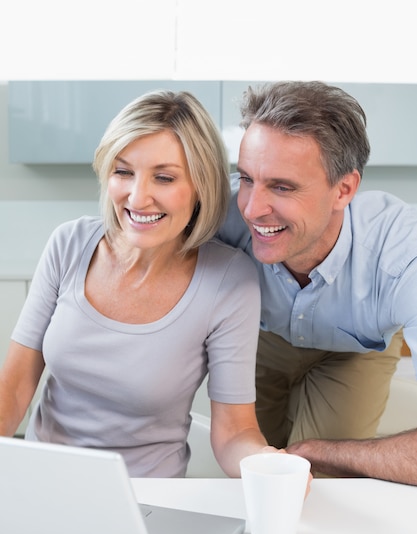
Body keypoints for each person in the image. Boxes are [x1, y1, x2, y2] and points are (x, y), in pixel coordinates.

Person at [0, 89, 276, 478]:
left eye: (163, 178)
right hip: (45, 484)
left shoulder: (230, 281)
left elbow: (234, 431)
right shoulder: (69, 244)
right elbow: (11, 391)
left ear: (202, 185)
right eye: (123, 171)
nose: (138, 196)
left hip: (148, 501)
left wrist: (268, 467)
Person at [217, 80, 417, 484]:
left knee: (318, 485)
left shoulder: (402, 255)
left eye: (282, 186)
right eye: (248, 179)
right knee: (250, 477)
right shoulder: (219, 214)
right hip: (260, 337)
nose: (252, 208)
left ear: (344, 189)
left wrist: (318, 453)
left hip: (352, 353)